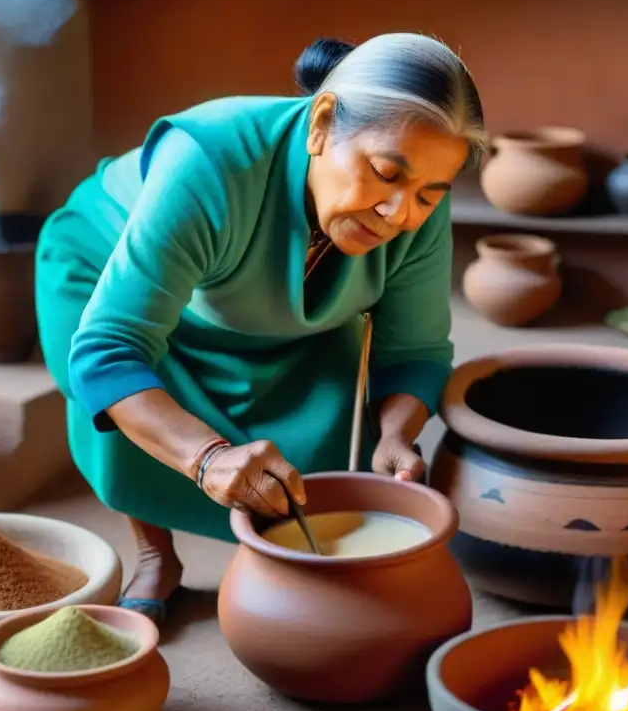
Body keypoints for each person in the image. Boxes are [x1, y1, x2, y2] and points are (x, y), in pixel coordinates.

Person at [35, 33, 486, 624]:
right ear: (323, 122)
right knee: (137, 408)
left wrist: (398, 435)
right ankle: (154, 554)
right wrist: (206, 457)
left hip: (265, 303)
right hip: (108, 269)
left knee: (326, 408)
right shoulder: (211, 161)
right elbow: (111, 351)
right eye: (383, 173)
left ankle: (290, 568)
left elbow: (415, 347)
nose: (400, 213)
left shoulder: (415, 203)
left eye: (428, 194)